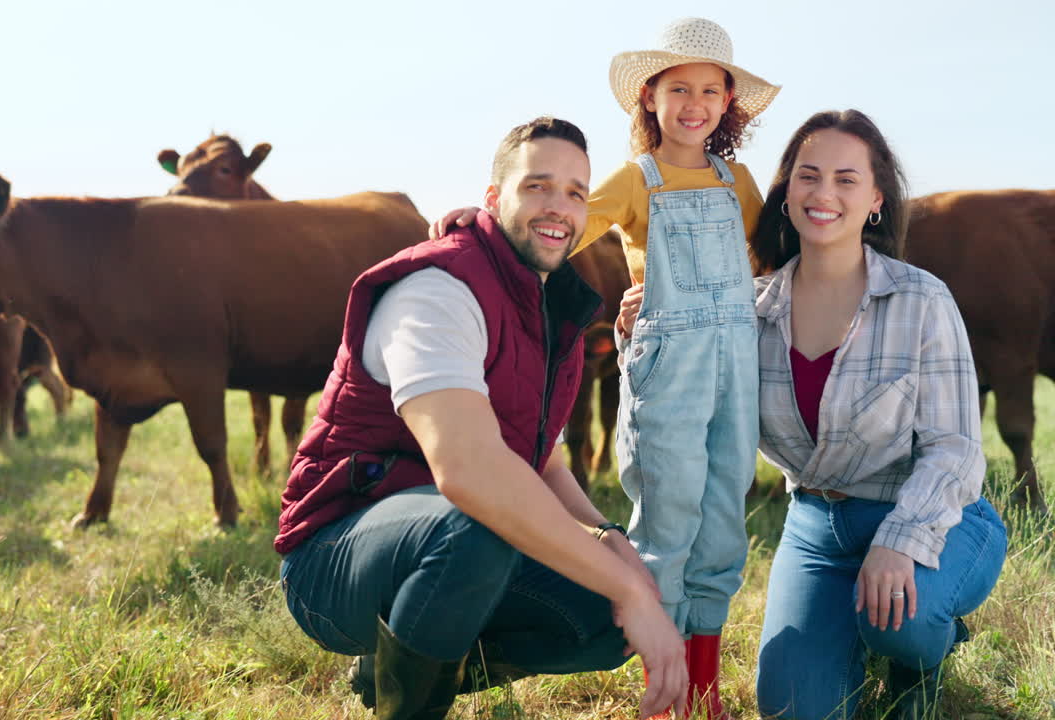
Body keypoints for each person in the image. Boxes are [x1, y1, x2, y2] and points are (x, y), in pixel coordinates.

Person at [275, 117, 687, 720]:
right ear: (493, 199)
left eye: (576, 192)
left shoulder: (553, 309)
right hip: (336, 557)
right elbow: (468, 472)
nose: (559, 207)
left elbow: (542, 464)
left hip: (454, 540)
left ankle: (394, 668)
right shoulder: (438, 289)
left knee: (608, 618)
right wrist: (622, 583)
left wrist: (614, 550)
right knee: (478, 526)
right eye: (537, 186)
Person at [430, 18, 780, 718]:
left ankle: (705, 690)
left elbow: (765, 263)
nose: (695, 103)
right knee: (670, 517)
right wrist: (477, 221)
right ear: (649, 97)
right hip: (671, 368)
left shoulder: (737, 180)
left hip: (735, 367)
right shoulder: (632, 181)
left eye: (711, 91)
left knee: (722, 522)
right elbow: (553, 230)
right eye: (679, 87)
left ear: (727, 104)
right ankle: (667, 683)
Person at [746, 109, 1008, 719]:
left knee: (902, 625)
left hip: (934, 515)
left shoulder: (920, 298)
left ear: (876, 200)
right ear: (786, 193)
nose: (824, 194)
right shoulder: (751, 312)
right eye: (808, 176)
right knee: (792, 711)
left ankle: (922, 656)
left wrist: (900, 541)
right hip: (815, 529)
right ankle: (854, 631)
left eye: (846, 179)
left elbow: (956, 448)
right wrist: (641, 331)